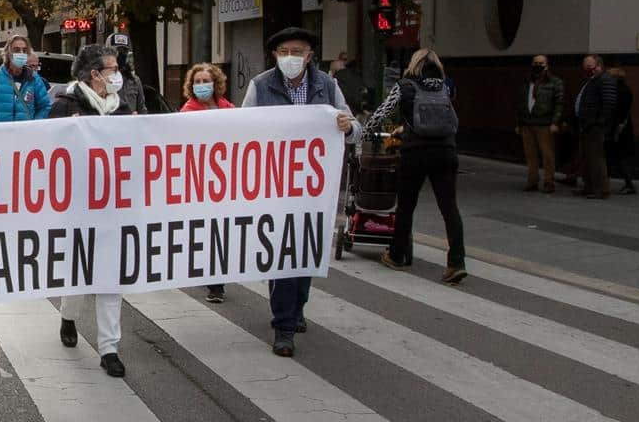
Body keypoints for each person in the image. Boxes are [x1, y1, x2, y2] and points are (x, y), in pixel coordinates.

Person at [241, 27, 360, 356]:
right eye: (284, 51)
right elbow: (240, 130)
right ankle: (284, 326)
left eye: (298, 51)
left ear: (310, 56)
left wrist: (348, 127)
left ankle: (297, 307)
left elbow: (355, 129)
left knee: (305, 251)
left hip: (314, 187)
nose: (291, 57)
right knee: (282, 255)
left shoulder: (327, 85)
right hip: (275, 185)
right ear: (275, 55)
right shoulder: (260, 86)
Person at [51, 44, 130, 377]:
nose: (117, 75)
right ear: (94, 74)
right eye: (111, 69)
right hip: (78, 206)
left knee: (111, 276)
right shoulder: (65, 107)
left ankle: (109, 348)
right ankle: (69, 316)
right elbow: (48, 155)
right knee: (78, 270)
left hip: (115, 205)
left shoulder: (122, 108)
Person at [377, 49, 468, 286]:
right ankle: (456, 262)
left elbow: (381, 114)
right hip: (446, 152)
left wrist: (367, 134)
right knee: (449, 208)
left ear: (413, 64)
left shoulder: (405, 86)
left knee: (406, 206)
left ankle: (397, 255)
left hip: (415, 152)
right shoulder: (446, 86)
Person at [181, 62, 236, 304]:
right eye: (198, 82)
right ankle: (215, 285)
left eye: (206, 81)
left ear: (216, 83)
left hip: (226, 179)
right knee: (208, 231)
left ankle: (218, 276)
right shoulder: (188, 112)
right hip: (201, 181)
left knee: (223, 231)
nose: (202, 86)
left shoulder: (229, 109)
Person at [0, 30, 53, 123]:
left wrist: (34, 125)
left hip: (25, 134)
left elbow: (44, 106)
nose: (21, 53)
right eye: (16, 50)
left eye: (24, 50)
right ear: (8, 53)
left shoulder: (34, 79)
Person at [571, 54, 621, 199]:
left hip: (595, 126)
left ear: (599, 66)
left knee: (596, 159)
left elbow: (609, 104)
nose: (587, 69)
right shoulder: (591, 81)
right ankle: (589, 187)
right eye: (585, 67)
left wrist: (600, 122)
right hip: (586, 125)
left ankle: (600, 189)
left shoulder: (605, 80)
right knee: (587, 158)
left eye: (589, 66)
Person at [515, 54, 564, 193]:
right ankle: (532, 181)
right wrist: (519, 123)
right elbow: (521, 103)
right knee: (530, 155)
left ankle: (549, 182)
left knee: (547, 155)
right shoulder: (526, 82)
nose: (538, 65)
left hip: (545, 123)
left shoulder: (555, 82)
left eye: (541, 63)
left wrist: (555, 122)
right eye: (535, 62)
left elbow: (559, 104)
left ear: (547, 65)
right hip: (527, 123)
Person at [608, 65, 638, 195]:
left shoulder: (619, 91)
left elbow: (618, 111)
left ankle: (629, 184)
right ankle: (627, 183)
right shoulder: (624, 90)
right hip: (622, 128)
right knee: (620, 158)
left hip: (619, 129)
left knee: (619, 158)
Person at [111, 33, 146, 114]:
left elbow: (142, 109)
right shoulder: (100, 80)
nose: (121, 53)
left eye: (124, 51)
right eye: (117, 50)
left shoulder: (134, 80)